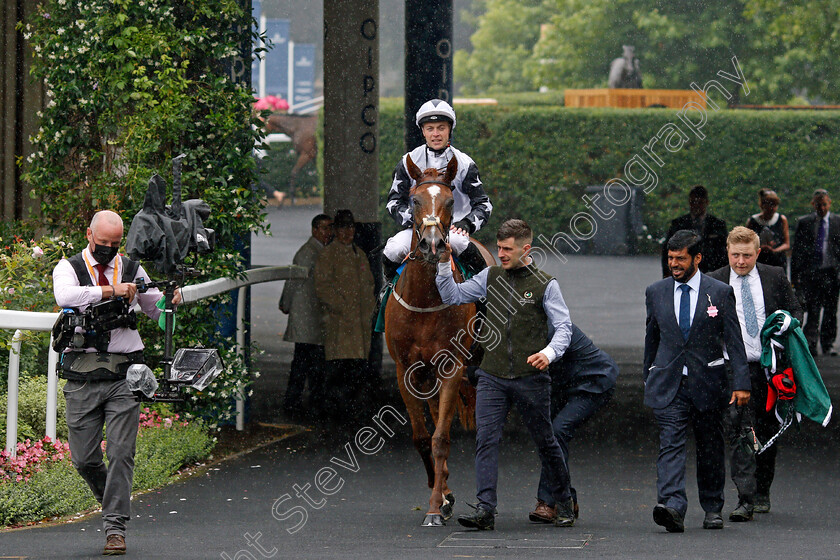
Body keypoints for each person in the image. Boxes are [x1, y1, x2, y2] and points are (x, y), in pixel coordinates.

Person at [53, 210, 181, 556]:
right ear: (89, 235)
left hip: (126, 373)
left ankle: (114, 526)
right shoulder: (68, 267)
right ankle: (109, 498)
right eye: (103, 243)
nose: (108, 250)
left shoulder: (132, 268)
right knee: (83, 459)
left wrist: (170, 303)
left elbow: (158, 312)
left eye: (115, 244)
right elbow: (66, 297)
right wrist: (111, 290)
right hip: (81, 375)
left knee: (121, 452)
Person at [435, 219, 576, 530]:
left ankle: (564, 499)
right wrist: (445, 263)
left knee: (546, 442)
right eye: (498, 247)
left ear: (526, 249)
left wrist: (549, 353)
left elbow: (564, 328)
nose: (500, 254)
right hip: (492, 376)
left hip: (531, 377)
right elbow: (452, 296)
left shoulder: (545, 284)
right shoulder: (490, 276)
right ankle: (485, 509)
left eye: (507, 249)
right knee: (485, 441)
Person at [644, 229, 750, 532]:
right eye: (670, 258)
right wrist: (647, 376)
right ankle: (672, 506)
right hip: (669, 383)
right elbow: (652, 338)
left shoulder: (718, 291)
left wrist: (741, 382)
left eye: (680, 259)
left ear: (697, 258)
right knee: (670, 445)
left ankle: (713, 506)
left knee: (710, 447)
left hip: (708, 382)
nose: (674, 264)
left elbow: (734, 340)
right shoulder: (655, 291)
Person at [708, 226, 803, 520]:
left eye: (747, 256)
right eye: (735, 255)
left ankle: (762, 490)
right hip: (731, 368)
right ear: (728, 252)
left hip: (767, 367)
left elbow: (794, 312)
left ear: (758, 253)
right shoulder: (713, 281)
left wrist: (783, 330)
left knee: (766, 429)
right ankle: (745, 496)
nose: (740, 262)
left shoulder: (774, 276)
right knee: (738, 430)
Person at [383, 99, 492, 279]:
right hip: (417, 228)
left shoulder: (465, 163)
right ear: (423, 131)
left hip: (453, 229)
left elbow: (484, 204)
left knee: (463, 245)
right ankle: (385, 296)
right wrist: (414, 218)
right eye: (430, 128)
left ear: (449, 129)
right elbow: (393, 202)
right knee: (392, 250)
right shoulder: (407, 161)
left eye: (441, 128)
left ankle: (482, 300)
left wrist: (467, 223)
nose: (436, 134)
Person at [529, 324, 618, 524]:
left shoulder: (548, 330)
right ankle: (567, 497)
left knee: (557, 432)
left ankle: (549, 502)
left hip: (592, 382)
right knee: (550, 436)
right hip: (563, 385)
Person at [313, 210, 376, 419]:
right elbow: (322, 287)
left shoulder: (360, 253)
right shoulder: (328, 254)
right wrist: (342, 307)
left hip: (360, 326)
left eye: (350, 227)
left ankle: (353, 413)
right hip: (339, 325)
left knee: (357, 372)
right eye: (343, 227)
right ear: (335, 231)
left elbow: (369, 285)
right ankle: (335, 414)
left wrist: (367, 313)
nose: (347, 232)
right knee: (337, 372)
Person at [279, 214, 333, 418]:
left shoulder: (318, 251)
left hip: (311, 318)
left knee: (306, 363)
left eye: (330, 228)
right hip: (306, 317)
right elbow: (292, 281)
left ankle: (301, 402)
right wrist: (285, 303)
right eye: (325, 228)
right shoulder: (308, 252)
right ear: (315, 230)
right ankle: (297, 403)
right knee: (304, 364)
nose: (329, 233)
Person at [791, 189, 840, 356]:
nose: (822, 208)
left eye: (824, 204)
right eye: (819, 205)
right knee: (812, 309)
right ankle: (810, 343)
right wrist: (796, 277)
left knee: (831, 310)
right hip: (811, 273)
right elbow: (797, 250)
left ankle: (828, 343)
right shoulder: (805, 223)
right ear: (813, 204)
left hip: (832, 272)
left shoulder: (837, 222)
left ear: (829, 203)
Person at [661, 185, 728, 277]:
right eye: (693, 202)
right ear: (689, 202)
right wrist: (668, 275)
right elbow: (667, 251)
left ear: (706, 202)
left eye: (700, 202)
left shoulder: (718, 225)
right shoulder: (678, 224)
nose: (696, 206)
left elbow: (724, 252)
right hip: (684, 272)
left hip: (712, 272)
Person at [746, 189, 790, 270]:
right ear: (762, 205)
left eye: (775, 205)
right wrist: (760, 248)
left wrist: (774, 250)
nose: (772, 208)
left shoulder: (781, 219)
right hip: (759, 262)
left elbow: (786, 244)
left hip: (777, 262)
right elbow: (747, 243)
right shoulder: (752, 221)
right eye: (770, 204)